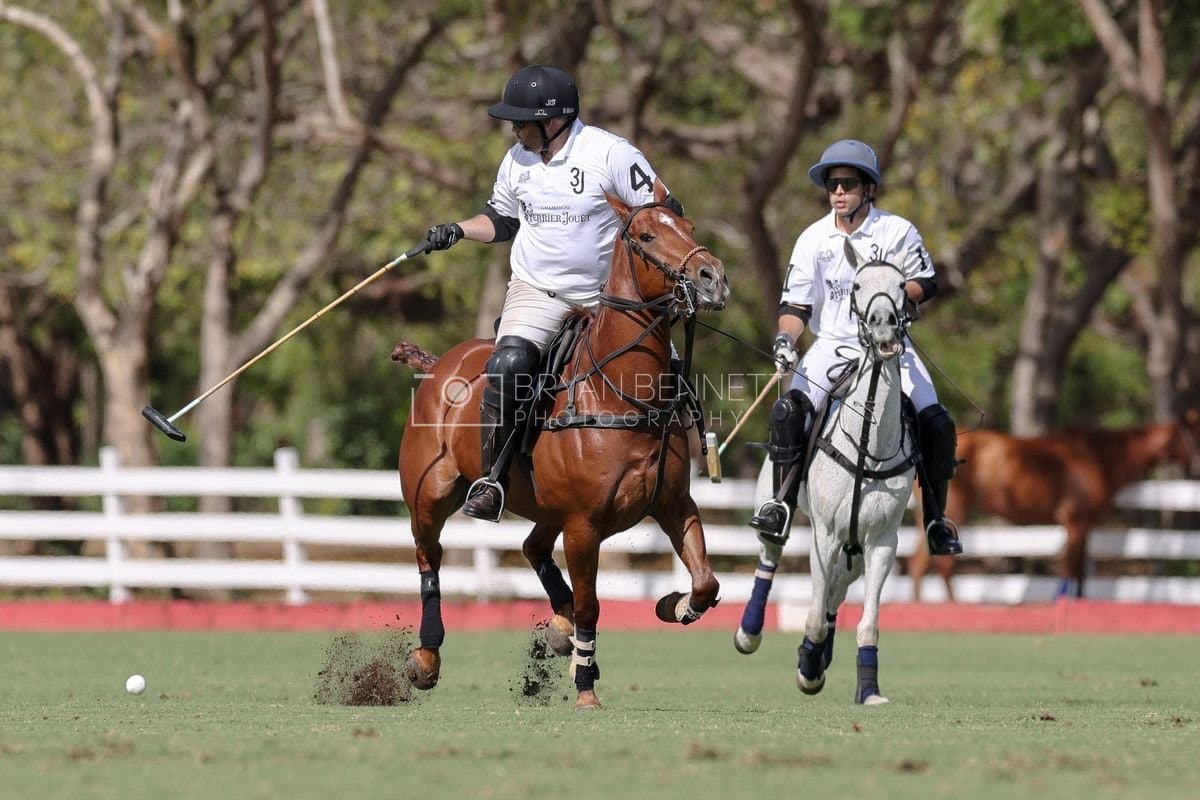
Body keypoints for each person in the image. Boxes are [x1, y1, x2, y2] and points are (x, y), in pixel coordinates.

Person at [424, 64, 683, 521]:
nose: (514, 129)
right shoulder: (517, 161)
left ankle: (680, 462)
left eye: (520, 122)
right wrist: (456, 230)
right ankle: (492, 478)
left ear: (553, 121)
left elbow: (664, 211)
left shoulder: (611, 154)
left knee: (669, 374)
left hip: (609, 299)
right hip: (539, 290)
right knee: (509, 365)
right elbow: (502, 221)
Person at [747, 138, 962, 556]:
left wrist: (899, 292)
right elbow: (795, 305)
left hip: (888, 344)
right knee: (788, 411)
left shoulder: (896, 231)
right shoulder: (813, 238)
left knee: (937, 422)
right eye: (832, 185)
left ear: (869, 189)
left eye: (848, 183)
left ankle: (936, 518)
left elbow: (927, 280)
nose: (839, 192)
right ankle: (781, 504)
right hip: (833, 346)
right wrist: (786, 340)